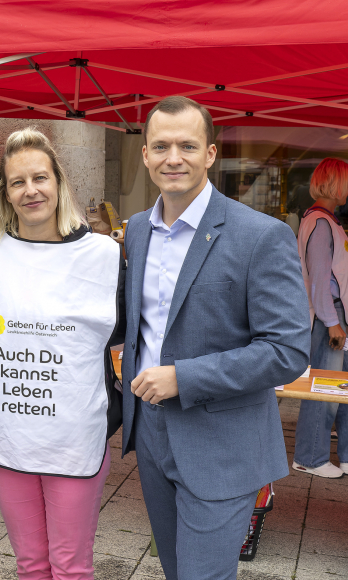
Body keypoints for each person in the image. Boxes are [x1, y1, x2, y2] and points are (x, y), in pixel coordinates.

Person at [121, 96, 309, 580]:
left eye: (187, 146)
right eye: (161, 146)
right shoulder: (137, 230)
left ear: (209, 154)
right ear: (145, 154)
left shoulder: (261, 235)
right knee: (174, 569)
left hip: (223, 442)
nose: (173, 158)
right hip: (151, 432)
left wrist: (183, 377)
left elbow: (287, 350)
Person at [0, 127, 124, 579]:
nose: (30, 190)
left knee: (70, 566)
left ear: (59, 182)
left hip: (73, 435)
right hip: (9, 431)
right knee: (30, 564)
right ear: (5, 193)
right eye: (18, 182)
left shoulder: (101, 256)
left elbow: (124, 332)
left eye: (40, 178)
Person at [294, 157, 348, 478]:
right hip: (330, 316)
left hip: (334, 315)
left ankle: (344, 455)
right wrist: (333, 323)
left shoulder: (323, 220)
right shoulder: (320, 223)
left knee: (339, 389)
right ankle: (309, 457)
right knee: (325, 390)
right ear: (336, 183)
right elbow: (318, 282)